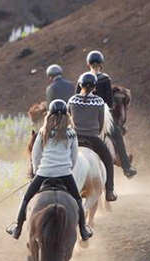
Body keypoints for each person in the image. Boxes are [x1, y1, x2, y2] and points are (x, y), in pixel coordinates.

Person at [7, 99, 93, 241]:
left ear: (49, 116)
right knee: (77, 200)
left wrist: (37, 171)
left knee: (26, 198)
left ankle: (17, 228)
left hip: (43, 173)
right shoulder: (71, 133)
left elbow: (36, 155)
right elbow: (74, 156)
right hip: (65, 174)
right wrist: (67, 168)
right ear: (67, 116)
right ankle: (83, 229)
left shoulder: (42, 132)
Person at [81, 50, 137, 178]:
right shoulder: (105, 79)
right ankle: (127, 167)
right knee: (117, 136)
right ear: (101, 64)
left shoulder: (82, 78)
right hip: (102, 117)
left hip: (83, 118)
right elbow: (109, 102)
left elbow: (77, 97)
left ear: (88, 64)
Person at [69, 72, 117, 202]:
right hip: (92, 138)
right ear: (95, 87)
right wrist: (95, 133)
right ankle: (110, 191)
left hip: (74, 139)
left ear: (80, 85)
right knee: (108, 160)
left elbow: (69, 119)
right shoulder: (99, 101)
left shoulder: (72, 100)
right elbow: (101, 124)